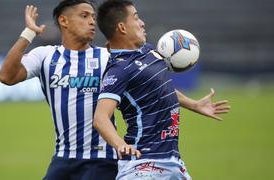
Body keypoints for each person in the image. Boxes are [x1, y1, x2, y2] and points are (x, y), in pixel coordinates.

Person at [94, 0, 231, 179]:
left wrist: (194, 105)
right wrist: (120, 144)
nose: (142, 23)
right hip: (143, 165)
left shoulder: (149, 51)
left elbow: (161, 87)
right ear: (122, 27)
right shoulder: (119, 70)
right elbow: (100, 118)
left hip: (173, 162)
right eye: (136, 18)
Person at [0, 0, 118, 179]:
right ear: (64, 21)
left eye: (93, 17)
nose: (92, 21)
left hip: (101, 159)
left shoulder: (107, 57)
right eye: (84, 16)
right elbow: (6, 77)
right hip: (63, 158)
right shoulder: (45, 55)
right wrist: (29, 33)